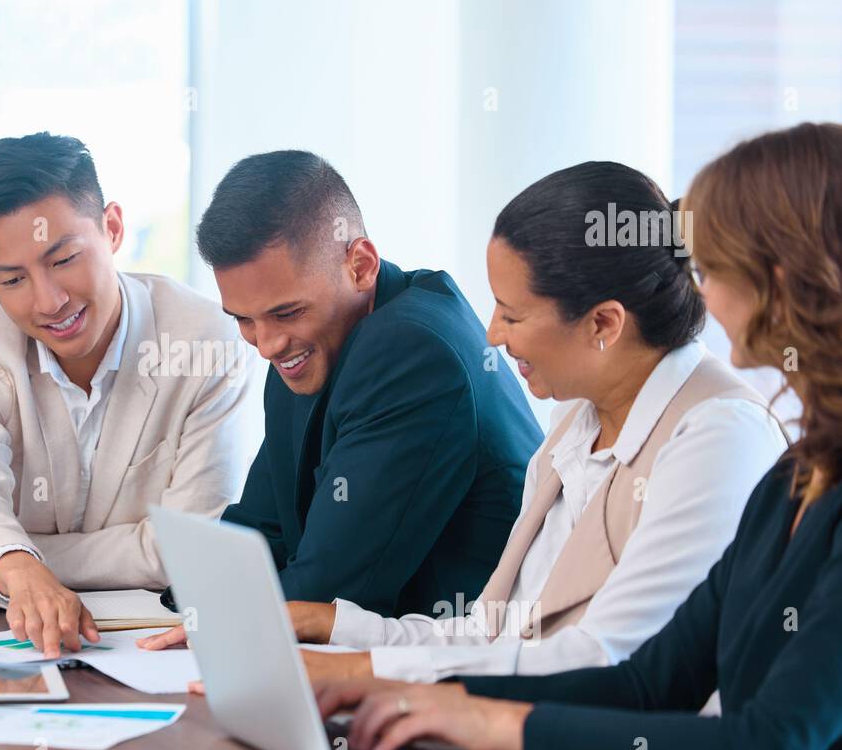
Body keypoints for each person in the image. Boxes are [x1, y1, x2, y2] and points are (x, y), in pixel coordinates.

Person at [315, 123, 842, 750]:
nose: (698, 292)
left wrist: (495, 723)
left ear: (779, 282)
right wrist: (441, 700)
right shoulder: (793, 483)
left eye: (711, 269)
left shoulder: (731, 437)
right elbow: (648, 682)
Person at [294, 162, 785, 683]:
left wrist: (366, 673)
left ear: (603, 323)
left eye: (512, 314)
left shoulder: (720, 436)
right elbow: (491, 636)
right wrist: (334, 626)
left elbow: (606, 657)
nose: (492, 335)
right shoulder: (575, 422)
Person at [141, 149, 541, 655]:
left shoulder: (413, 352)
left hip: (466, 671)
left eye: (286, 312)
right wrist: (199, 601)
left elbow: (326, 594)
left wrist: (209, 611)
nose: (265, 345)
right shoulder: (308, 350)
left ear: (361, 265)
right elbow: (257, 535)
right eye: (243, 319)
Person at [0, 133, 254, 658]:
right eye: (11, 280)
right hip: (16, 643)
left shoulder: (203, 340)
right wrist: (12, 564)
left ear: (113, 228)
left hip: (159, 648)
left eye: (63, 260)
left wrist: (14, 560)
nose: (48, 301)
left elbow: (191, 545)